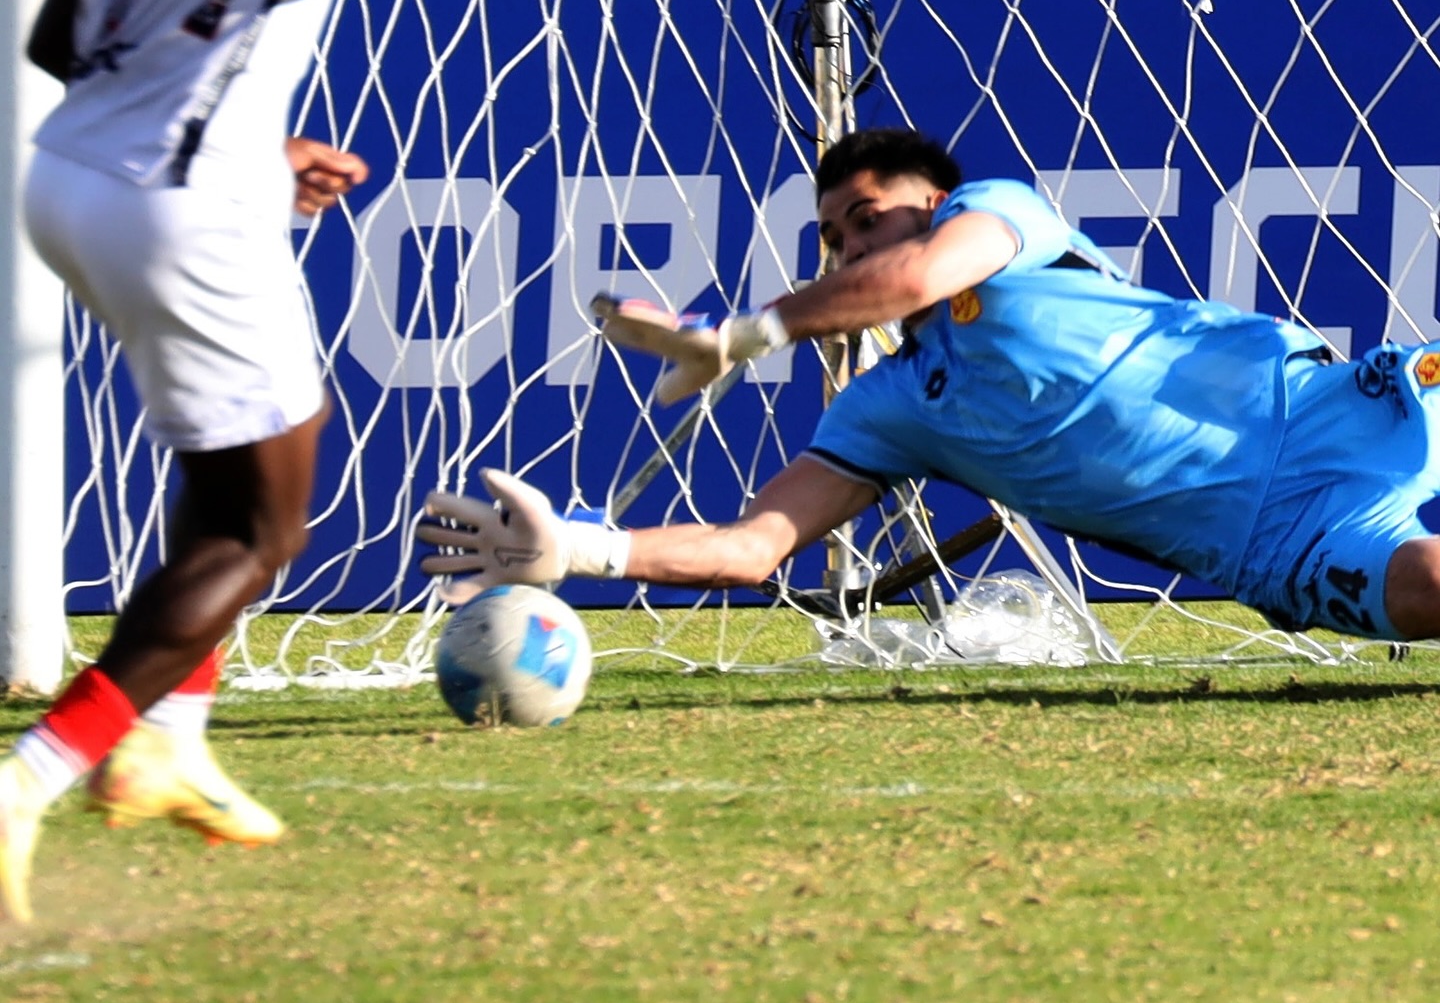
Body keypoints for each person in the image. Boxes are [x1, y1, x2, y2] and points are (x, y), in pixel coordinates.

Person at [0, 0, 695, 925]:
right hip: (178, 201)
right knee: (263, 532)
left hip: (77, 177)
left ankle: (170, 744)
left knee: (217, 486)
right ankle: (31, 779)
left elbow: (63, 32)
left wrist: (245, 140)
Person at [418, 125, 1440, 651]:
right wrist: (582, 547)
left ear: (937, 205)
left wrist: (746, 332)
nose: (850, 242)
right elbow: (751, 547)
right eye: (832, 233)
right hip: (1277, 542)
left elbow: (909, 280)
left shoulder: (1006, 224)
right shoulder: (887, 407)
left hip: (1333, 404)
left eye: (868, 216)